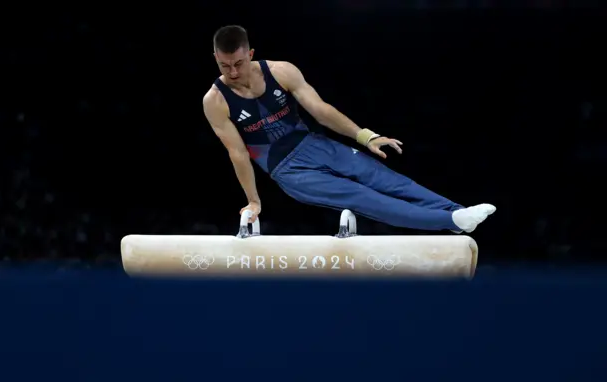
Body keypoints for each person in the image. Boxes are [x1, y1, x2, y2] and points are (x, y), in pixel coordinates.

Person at [202, 25, 496, 234]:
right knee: (364, 198)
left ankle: (457, 212)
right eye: (224, 65)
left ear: (251, 53)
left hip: (314, 144)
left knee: (384, 178)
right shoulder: (215, 101)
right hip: (288, 171)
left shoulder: (281, 72)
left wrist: (365, 136)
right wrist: (254, 200)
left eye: (238, 63)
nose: (233, 72)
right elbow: (238, 153)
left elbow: (321, 110)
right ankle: (451, 222)